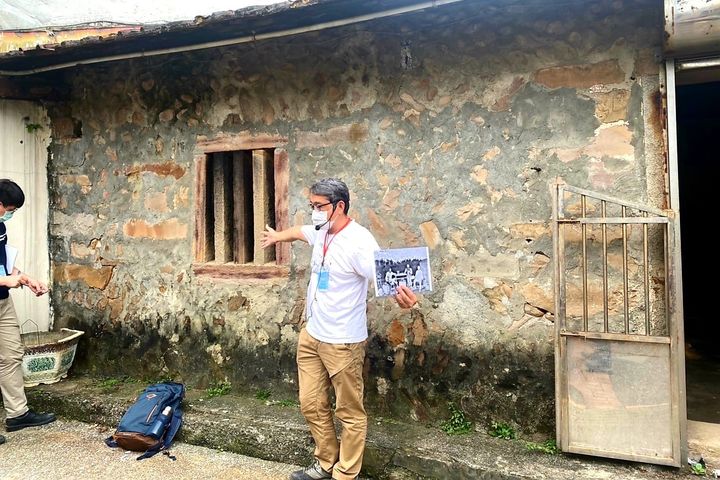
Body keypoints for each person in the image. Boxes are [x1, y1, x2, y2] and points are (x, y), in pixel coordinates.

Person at [261, 178, 417, 480]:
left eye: (318, 206)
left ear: (340, 206)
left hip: (342, 343)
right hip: (311, 335)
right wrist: (278, 236)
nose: (314, 212)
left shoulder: (360, 242)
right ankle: (325, 462)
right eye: (311, 206)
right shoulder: (321, 231)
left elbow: (386, 279)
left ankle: (345, 474)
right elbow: (299, 232)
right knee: (310, 403)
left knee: (349, 412)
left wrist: (405, 298)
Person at [0, 179, 56, 446]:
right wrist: (4, 282)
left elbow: (5, 267)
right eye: (9, 208)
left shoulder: (0, 228)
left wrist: (25, 279)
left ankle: (17, 414)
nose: (10, 214)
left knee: (11, 355)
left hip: (2, 303)